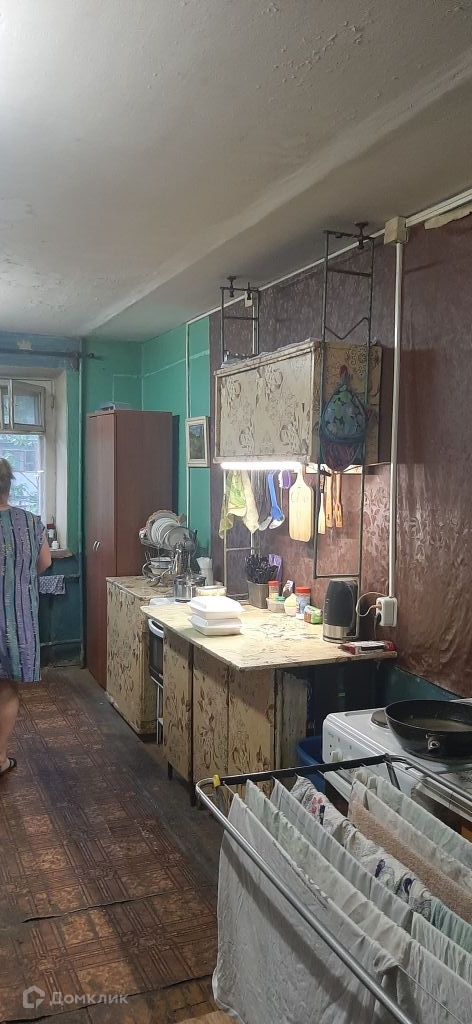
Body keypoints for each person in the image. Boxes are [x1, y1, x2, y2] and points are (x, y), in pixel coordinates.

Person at [0, 458, 51, 775]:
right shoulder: (31, 523)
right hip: (16, 622)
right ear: (9, 485)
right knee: (5, 688)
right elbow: (45, 562)